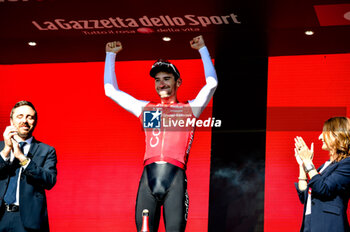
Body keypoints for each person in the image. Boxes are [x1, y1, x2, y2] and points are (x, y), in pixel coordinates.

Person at [104, 35, 218, 231]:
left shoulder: (189, 109)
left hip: (175, 180)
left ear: (178, 82)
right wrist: (110, 55)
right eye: (157, 80)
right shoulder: (147, 110)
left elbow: (212, 84)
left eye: (167, 78)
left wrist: (203, 49)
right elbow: (111, 90)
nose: (161, 84)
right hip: (148, 179)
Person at [0, 101, 57, 232]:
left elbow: (49, 181)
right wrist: (5, 152)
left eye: (29, 117)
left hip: (27, 222)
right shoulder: (0, 149)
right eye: (20, 116)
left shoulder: (46, 150)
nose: (24, 121)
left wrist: (23, 158)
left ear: (35, 121)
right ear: (11, 120)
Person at [294, 117, 350, 232]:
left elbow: (323, 189)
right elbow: (304, 196)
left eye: (324, 133)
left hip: (329, 226)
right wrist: (302, 165)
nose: (320, 137)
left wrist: (308, 162)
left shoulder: (347, 164)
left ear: (337, 135)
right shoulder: (324, 167)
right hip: (310, 224)